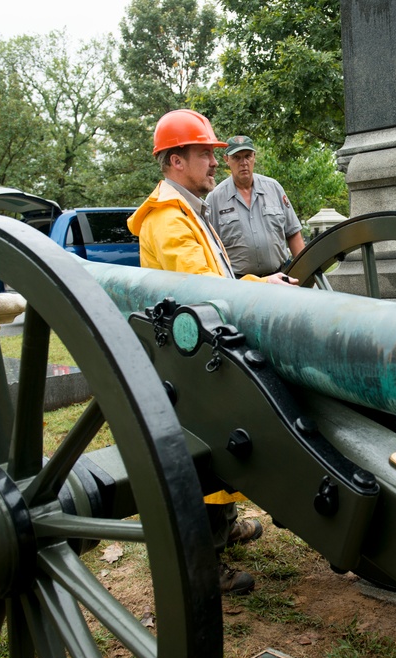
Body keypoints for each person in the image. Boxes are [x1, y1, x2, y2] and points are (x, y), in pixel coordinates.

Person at [127, 108, 298, 594]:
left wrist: (259, 282)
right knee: (210, 442)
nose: (215, 164)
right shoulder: (166, 219)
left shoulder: (188, 208)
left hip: (203, 337)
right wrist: (259, 286)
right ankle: (208, 553)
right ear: (176, 160)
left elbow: (216, 279)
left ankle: (226, 519)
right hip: (188, 349)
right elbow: (201, 290)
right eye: (206, 154)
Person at [205, 135, 305, 278]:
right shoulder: (215, 199)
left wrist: (307, 273)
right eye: (236, 158)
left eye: (247, 156)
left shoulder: (274, 188)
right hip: (241, 284)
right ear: (226, 159)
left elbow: (293, 233)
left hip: (281, 278)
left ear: (254, 157)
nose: (243, 163)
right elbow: (211, 249)